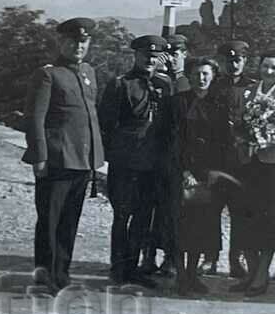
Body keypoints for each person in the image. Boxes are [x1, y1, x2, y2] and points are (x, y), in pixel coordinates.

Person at [21, 17, 105, 294]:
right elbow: (36, 119)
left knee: (70, 221)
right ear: (61, 42)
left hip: (82, 160)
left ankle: (63, 274)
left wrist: (96, 157)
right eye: (72, 41)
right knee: (50, 221)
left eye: (83, 42)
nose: (78, 46)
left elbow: (89, 117)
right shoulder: (48, 74)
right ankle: (45, 276)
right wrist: (39, 157)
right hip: (57, 160)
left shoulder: (89, 72)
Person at [98, 34, 173, 290]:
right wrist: (108, 161)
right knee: (122, 216)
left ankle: (135, 268)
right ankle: (119, 268)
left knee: (144, 217)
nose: (150, 61)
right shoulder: (121, 85)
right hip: (126, 162)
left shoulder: (165, 85)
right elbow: (106, 126)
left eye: (155, 57)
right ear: (136, 56)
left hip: (153, 163)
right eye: (145, 56)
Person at [229, 49, 275, 297]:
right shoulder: (248, 91)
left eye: (274, 67)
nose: (268, 72)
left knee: (270, 222)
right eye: (265, 66)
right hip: (249, 164)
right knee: (246, 218)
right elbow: (237, 122)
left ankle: (261, 276)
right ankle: (250, 273)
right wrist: (241, 137)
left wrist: (268, 140)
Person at [168, 56, 232, 296]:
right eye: (196, 73)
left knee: (201, 226)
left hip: (208, 176)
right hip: (180, 173)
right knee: (179, 226)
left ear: (213, 76)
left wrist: (215, 174)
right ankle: (180, 276)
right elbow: (170, 140)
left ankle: (193, 274)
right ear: (189, 75)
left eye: (206, 73)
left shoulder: (219, 104)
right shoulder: (176, 103)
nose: (201, 78)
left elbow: (224, 143)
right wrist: (183, 171)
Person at [139, 32, 194, 278]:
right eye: (167, 53)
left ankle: (172, 257)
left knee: (175, 208)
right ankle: (147, 255)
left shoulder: (188, 83)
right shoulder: (154, 80)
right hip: (155, 152)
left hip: (179, 154)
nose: (172, 58)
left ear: (185, 54)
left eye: (177, 53)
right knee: (150, 206)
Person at [213, 40, 253, 280]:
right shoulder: (214, 86)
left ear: (244, 61)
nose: (233, 64)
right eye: (229, 60)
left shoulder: (254, 87)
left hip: (241, 162)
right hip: (217, 158)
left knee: (240, 211)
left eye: (237, 59)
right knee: (211, 209)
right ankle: (210, 257)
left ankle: (236, 260)